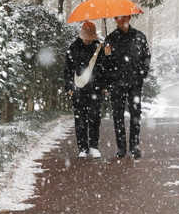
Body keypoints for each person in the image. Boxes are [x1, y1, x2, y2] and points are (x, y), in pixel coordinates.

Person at [103, 15, 150, 158]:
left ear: (129, 18)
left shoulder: (139, 36)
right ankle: (121, 148)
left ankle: (134, 146)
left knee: (136, 114)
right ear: (115, 20)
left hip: (135, 82)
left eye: (123, 18)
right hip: (116, 83)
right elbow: (105, 65)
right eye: (117, 18)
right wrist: (107, 55)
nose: (121, 20)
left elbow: (146, 57)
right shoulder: (110, 39)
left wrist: (142, 74)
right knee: (118, 115)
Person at [64, 21, 106, 158]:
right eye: (86, 36)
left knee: (95, 117)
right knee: (80, 119)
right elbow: (68, 69)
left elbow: (105, 68)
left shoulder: (99, 47)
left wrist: (104, 85)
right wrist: (69, 87)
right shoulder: (74, 47)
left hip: (96, 88)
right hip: (78, 88)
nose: (88, 39)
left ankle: (94, 146)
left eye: (90, 37)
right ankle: (82, 148)